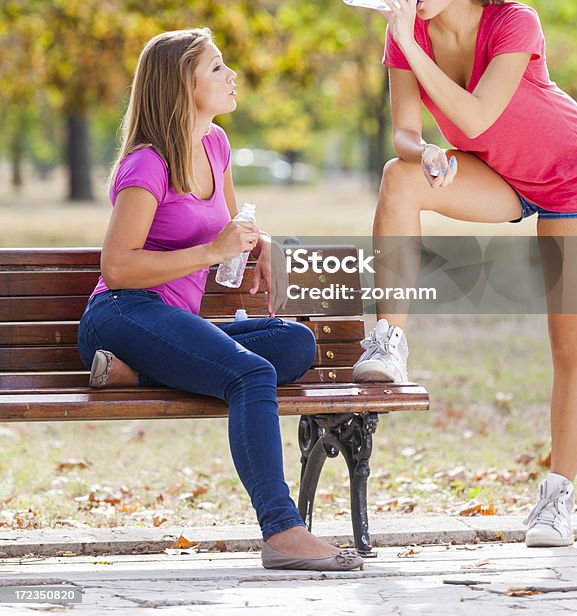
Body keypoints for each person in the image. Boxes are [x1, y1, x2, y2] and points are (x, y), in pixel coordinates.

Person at [351, 0, 577, 549]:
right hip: (497, 173)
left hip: (570, 176)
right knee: (397, 176)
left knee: (567, 340)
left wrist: (412, 41)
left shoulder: (513, 22)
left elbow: (476, 111)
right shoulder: (405, 35)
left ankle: (557, 499)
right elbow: (409, 133)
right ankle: (390, 338)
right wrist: (426, 154)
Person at [78, 28, 363, 572]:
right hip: (122, 313)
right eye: (215, 68)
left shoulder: (216, 144)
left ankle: (131, 374)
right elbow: (116, 268)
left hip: (168, 323)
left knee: (296, 343)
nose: (231, 75)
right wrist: (213, 251)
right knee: (251, 375)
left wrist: (263, 248)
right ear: (181, 86)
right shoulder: (147, 164)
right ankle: (282, 532)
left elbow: (237, 226)